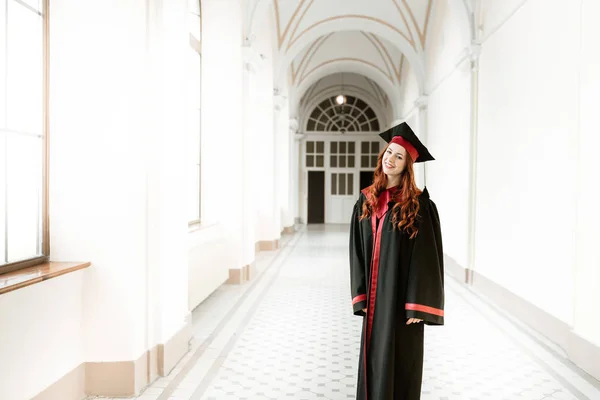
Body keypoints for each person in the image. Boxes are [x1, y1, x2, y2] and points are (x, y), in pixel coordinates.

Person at [349, 122, 444, 400]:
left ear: (407, 166)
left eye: (399, 156)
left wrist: (418, 303)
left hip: (402, 303)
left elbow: (427, 257)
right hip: (376, 303)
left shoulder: (418, 205)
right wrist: (361, 295)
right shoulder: (367, 200)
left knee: (402, 365)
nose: (390, 159)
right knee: (374, 361)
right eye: (389, 152)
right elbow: (356, 250)